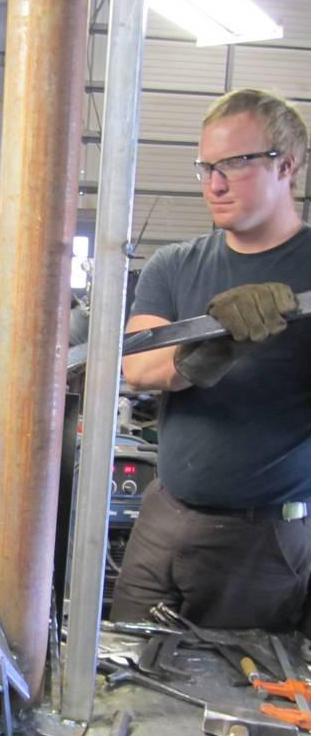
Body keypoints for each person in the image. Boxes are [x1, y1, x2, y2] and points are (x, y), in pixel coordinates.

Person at [110, 88, 311, 633]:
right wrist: (210, 350)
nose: (214, 184)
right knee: (125, 665)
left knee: (234, 682)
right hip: (163, 518)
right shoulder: (176, 265)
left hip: (262, 540)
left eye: (235, 164)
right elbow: (137, 367)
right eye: (206, 167)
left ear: (286, 166)